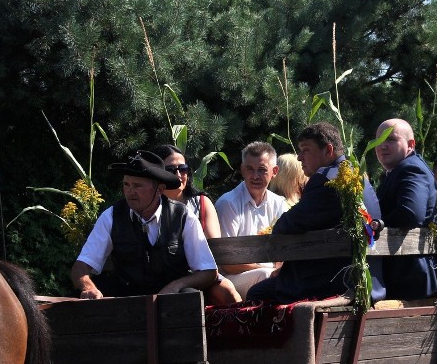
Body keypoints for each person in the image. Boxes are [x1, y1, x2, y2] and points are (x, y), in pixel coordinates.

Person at [246, 122, 385, 303]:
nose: (299, 158)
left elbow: (286, 225)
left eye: (305, 150)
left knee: (257, 294)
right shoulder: (359, 176)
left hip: (332, 284)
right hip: (364, 282)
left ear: (328, 150)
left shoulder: (325, 178)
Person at [70, 150, 218, 299]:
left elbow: (209, 272)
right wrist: (88, 288)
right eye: (126, 184)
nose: (130, 192)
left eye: (137, 185)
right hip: (125, 298)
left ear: (159, 190)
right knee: (83, 294)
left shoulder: (183, 216)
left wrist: (176, 285)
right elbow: (80, 267)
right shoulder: (112, 216)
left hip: (169, 300)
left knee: (188, 296)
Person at [149, 144, 241, 305]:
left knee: (227, 292)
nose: (178, 175)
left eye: (183, 169)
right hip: (162, 274)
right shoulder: (148, 207)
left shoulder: (201, 203)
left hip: (200, 274)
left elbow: (213, 248)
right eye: (170, 170)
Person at [374, 118, 437, 300]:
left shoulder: (410, 168)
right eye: (378, 141)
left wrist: (373, 225)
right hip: (404, 275)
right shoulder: (397, 170)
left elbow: (410, 214)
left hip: (410, 278)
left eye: (391, 140)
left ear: (411, 144)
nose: (382, 146)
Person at [215, 142, 288, 297]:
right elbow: (227, 264)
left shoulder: (279, 203)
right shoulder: (228, 203)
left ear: (274, 171)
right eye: (250, 169)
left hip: (270, 272)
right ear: (242, 170)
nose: (255, 176)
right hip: (232, 278)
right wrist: (269, 269)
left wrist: (278, 270)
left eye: (262, 170)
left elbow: (284, 250)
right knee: (266, 276)